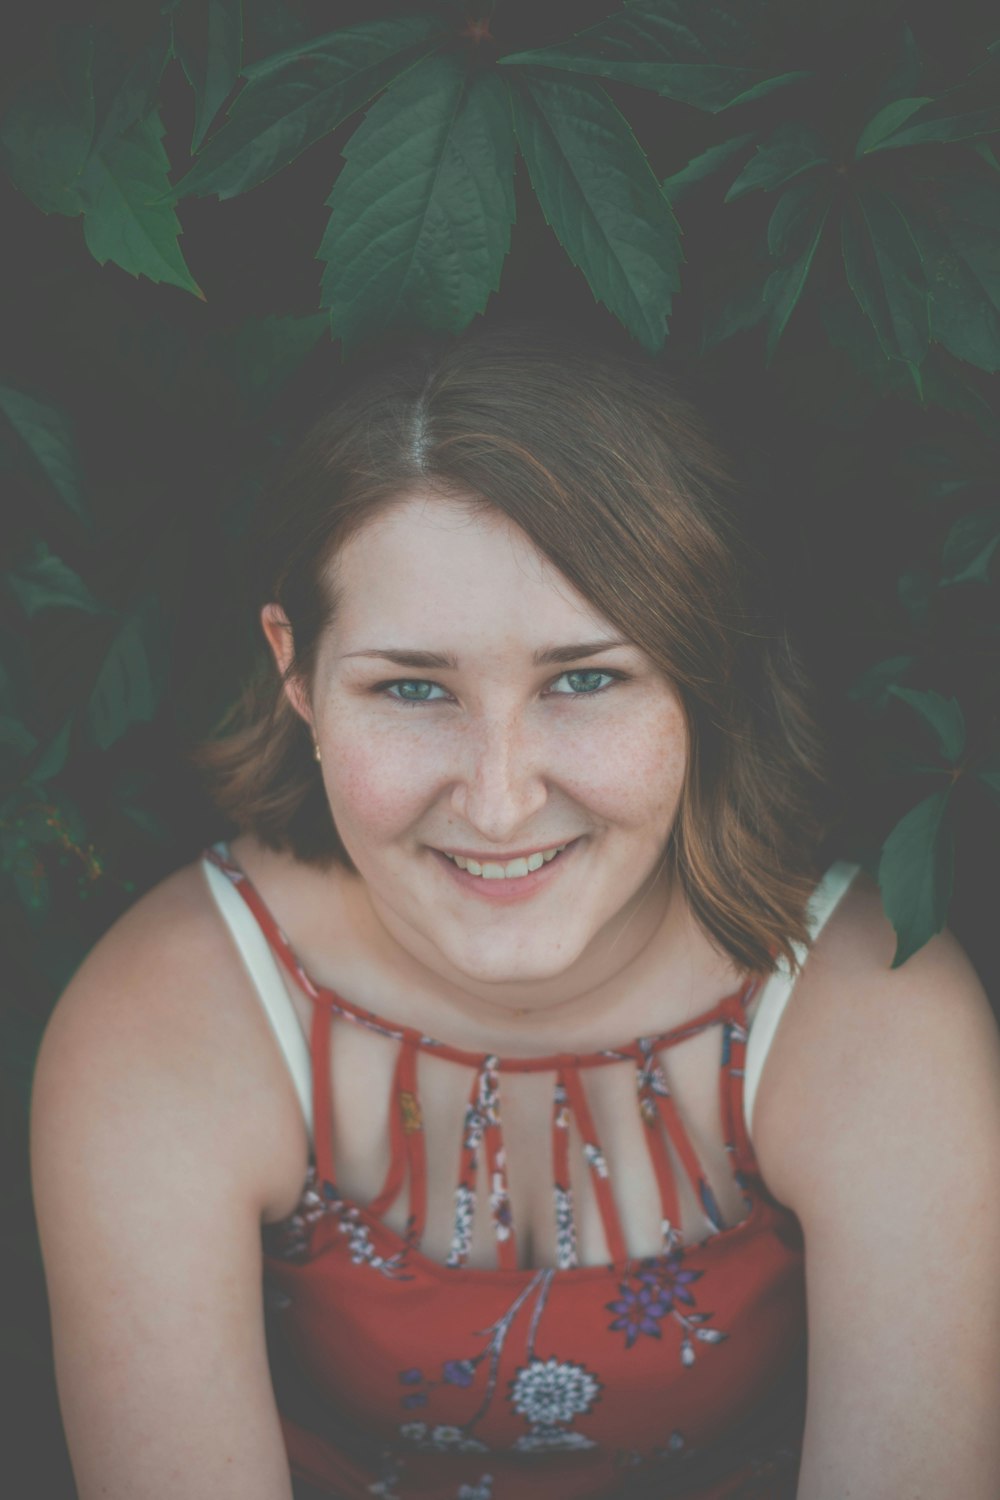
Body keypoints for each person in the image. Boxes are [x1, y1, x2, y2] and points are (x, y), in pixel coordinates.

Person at [29, 320, 1000, 1500]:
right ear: (296, 673)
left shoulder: (863, 1004)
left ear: (708, 673)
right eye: (412, 687)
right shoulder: (179, 1016)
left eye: (584, 679)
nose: (498, 802)